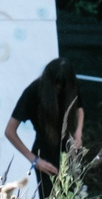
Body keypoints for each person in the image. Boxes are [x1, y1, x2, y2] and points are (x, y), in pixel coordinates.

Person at [7, 57, 83, 191]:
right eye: (57, 86)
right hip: (46, 156)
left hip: (70, 151)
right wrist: (34, 160)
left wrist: (78, 132)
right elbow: (10, 131)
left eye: (62, 87)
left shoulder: (70, 86)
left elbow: (79, 108)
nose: (59, 90)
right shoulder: (33, 91)